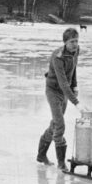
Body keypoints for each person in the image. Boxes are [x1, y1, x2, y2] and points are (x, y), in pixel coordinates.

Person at [38, 27, 80, 171]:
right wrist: (76, 102)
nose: (75, 44)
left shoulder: (76, 51)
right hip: (53, 90)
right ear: (65, 42)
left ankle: (41, 154)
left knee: (55, 124)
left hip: (65, 92)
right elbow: (62, 83)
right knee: (60, 125)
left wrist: (75, 86)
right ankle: (61, 163)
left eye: (76, 41)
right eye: (72, 42)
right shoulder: (58, 57)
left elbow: (74, 69)